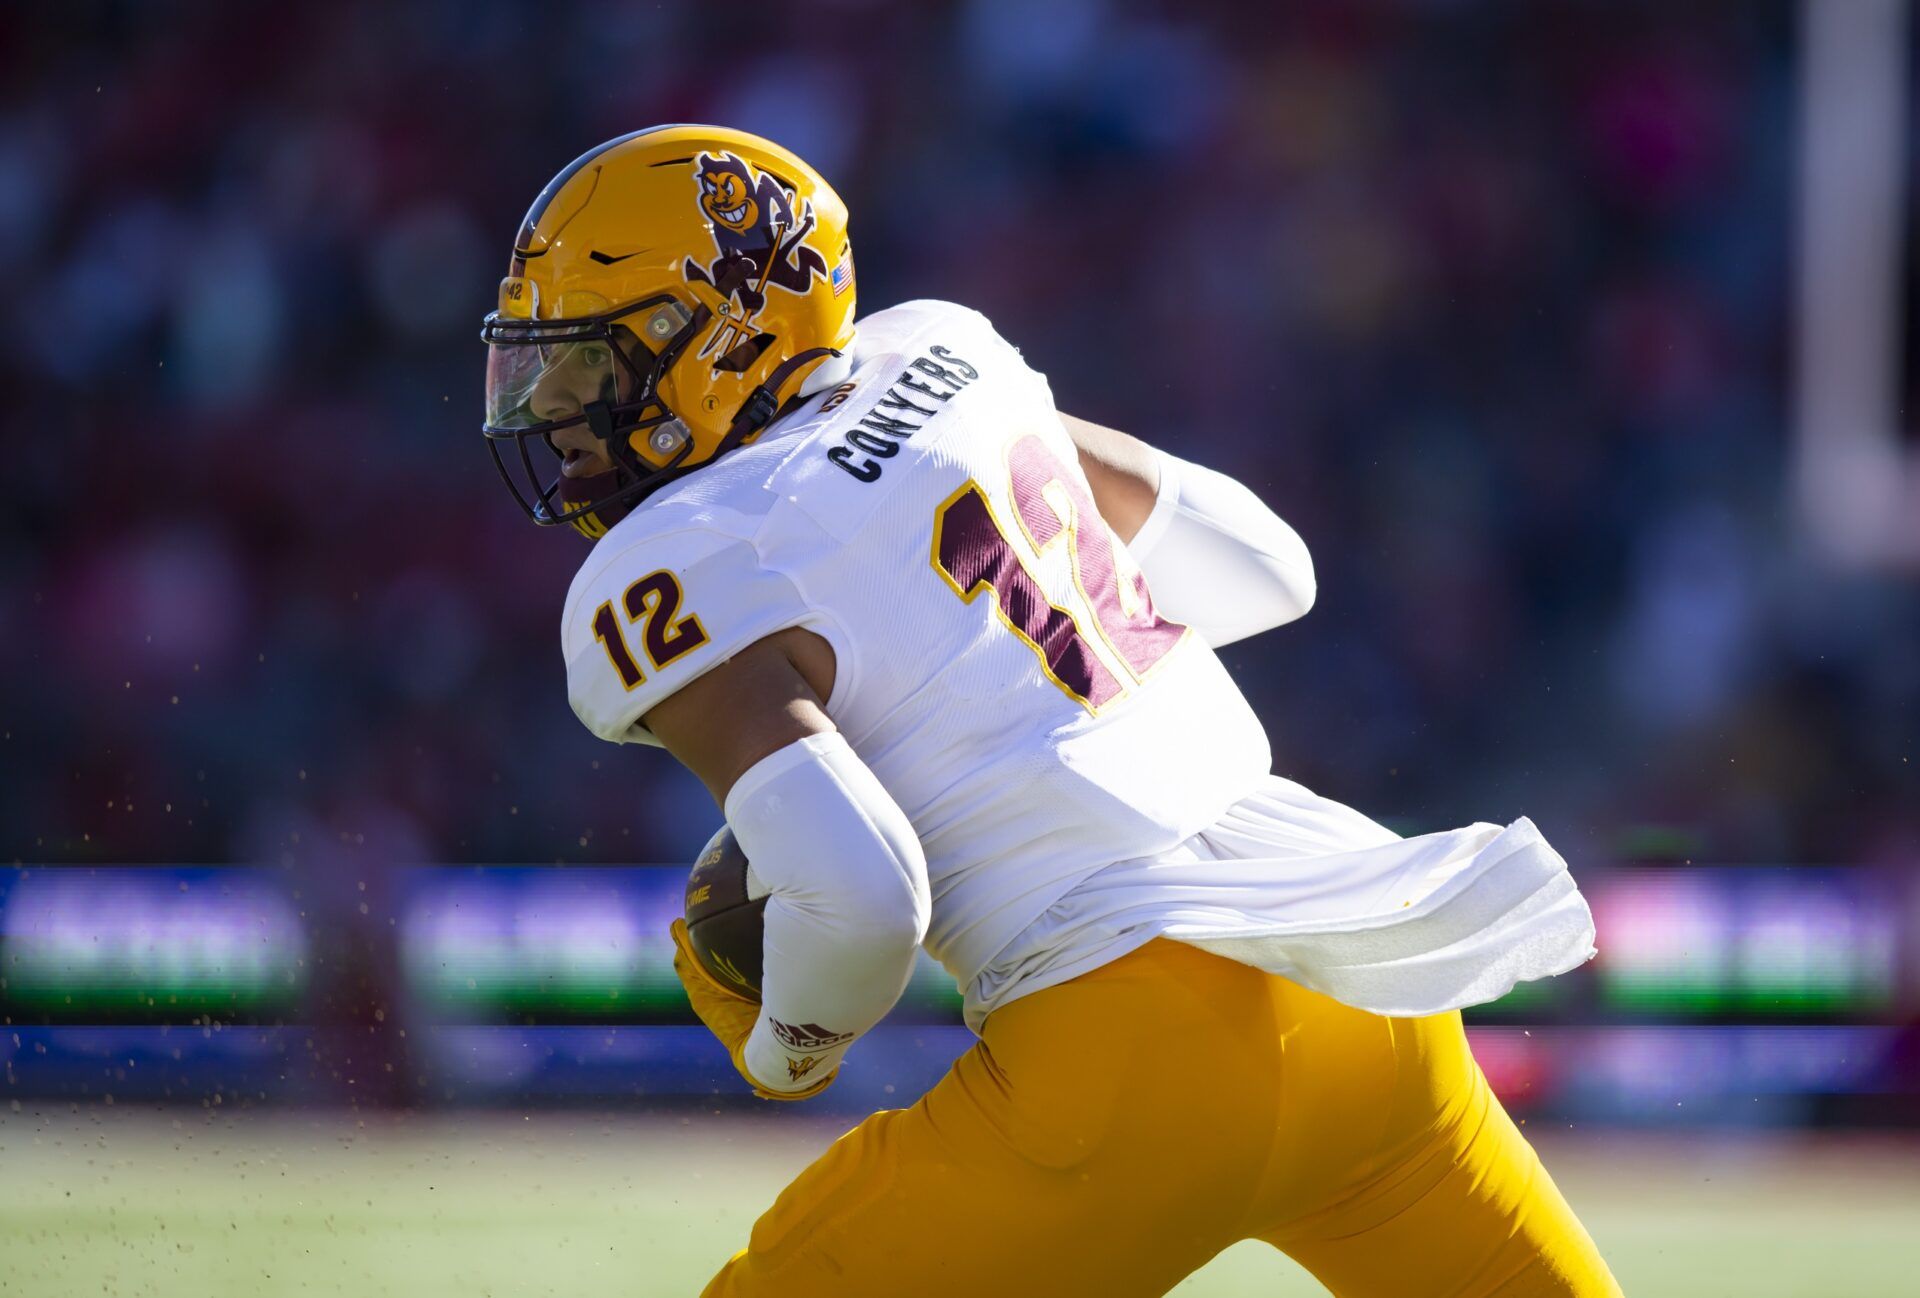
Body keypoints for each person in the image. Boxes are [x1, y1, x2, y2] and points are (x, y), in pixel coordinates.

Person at [480, 124, 1621, 1297]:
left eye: (590, 371)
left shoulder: (673, 562)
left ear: (712, 343)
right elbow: (1272, 571)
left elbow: (865, 895)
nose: (558, 419)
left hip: (1131, 1054)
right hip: (1362, 989)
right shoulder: (947, 357)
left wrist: (788, 1047)